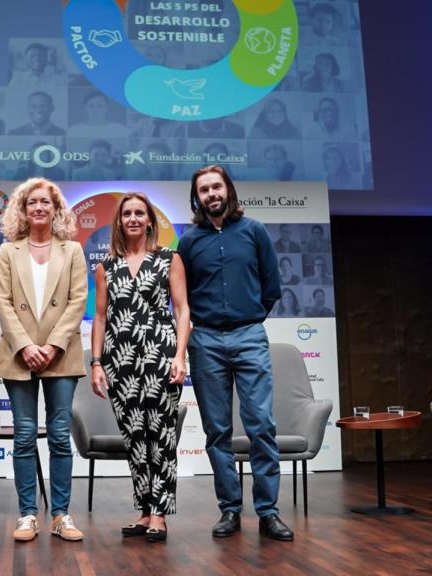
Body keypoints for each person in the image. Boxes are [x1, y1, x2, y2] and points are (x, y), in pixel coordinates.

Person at [177, 165, 294, 541]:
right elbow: (182, 297)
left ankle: (268, 511)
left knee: (261, 425)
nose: (211, 194)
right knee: (217, 431)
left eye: (216, 186)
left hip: (248, 336)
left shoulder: (254, 232)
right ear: (197, 198)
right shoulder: (189, 241)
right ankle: (229, 510)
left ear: (228, 189)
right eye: (204, 190)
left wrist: (252, 318)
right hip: (206, 342)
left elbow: (271, 285)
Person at [89, 193, 190, 543]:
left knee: (161, 437)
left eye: (139, 213)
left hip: (161, 357)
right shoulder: (106, 267)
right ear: (119, 221)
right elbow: (100, 317)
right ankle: (144, 511)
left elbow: (182, 311)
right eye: (126, 213)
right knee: (135, 438)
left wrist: (180, 356)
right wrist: (96, 362)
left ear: (150, 221)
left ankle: (160, 514)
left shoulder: (169, 259)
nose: (132, 218)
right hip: (121, 363)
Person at [0, 177, 88, 543]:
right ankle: (27, 515)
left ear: (55, 208)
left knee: (60, 437)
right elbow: (2, 302)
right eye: (32, 202)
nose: (38, 208)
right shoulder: (8, 251)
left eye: (45, 202)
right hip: (19, 357)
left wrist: (51, 346)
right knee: (23, 437)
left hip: (61, 355)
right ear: (22, 208)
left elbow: (77, 300)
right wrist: (25, 346)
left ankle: (61, 514)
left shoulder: (73, 250)